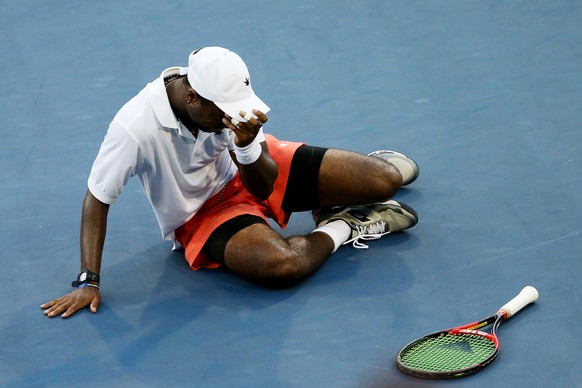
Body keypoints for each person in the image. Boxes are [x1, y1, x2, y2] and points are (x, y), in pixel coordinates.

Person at [41, 47, 420, 319]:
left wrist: (245, 145)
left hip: (249, 167)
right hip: (203, 213)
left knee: (387, 180)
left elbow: (261, 187)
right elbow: (97, 197)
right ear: (192, 97)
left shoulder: (226, 112)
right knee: (283, 266)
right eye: (221, 114)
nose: (229, 119)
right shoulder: (132, 129)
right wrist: (88, 280)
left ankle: (345, 194)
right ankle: (342, 224)